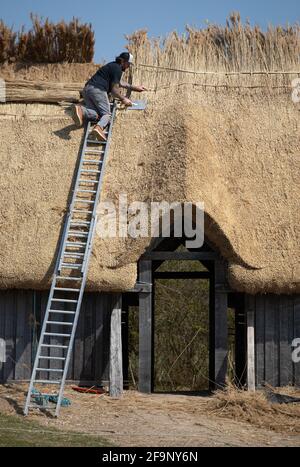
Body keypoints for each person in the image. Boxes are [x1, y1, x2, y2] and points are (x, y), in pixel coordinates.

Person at [71, 52, 147, 141]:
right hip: (98, 90)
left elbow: (119, 83)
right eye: (128, 64)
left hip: (87, 90)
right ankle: (99, 128)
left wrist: (134, 87)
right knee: (107, 114)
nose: (128, 66)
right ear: (123, 61)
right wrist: (124, 99)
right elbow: (114, 91)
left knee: (97, 115)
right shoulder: (117, 69)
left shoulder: (112, 66)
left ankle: (81, 111)